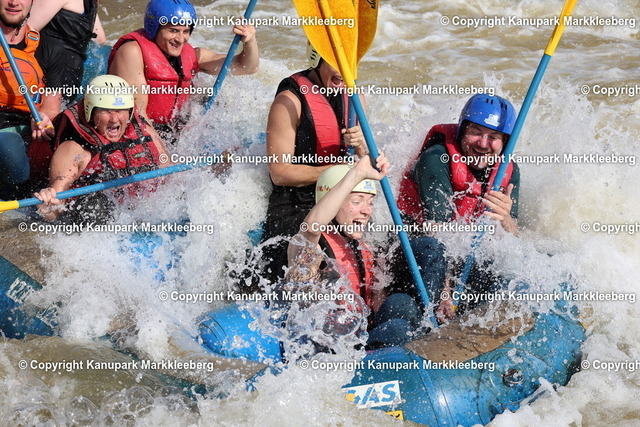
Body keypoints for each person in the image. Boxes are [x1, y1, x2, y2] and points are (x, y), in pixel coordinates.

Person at [394, 94, 520, 322]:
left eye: (493, 137)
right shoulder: (436, 159)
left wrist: (506, 220)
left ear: (504, 142)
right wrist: (445, 294)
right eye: (475, 132)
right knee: (432, 250)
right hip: (416, 254)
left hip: (460, 259)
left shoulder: (509, 170)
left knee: (498, 265)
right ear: (462, 130)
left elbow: (516, 239)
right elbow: (436, 234)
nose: (483, 144)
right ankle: (428, 320)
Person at [286, 154, 421, 348]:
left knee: (402, 303)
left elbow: (375, 307)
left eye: (370, 202)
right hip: (329, 351)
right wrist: (357, 173)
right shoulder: (308, 246)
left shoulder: (365, 249)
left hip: (362, 344)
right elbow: (312, 227)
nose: (367, 211)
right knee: (398, 329)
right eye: (357, 202)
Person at [260, 45, 367, 283]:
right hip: (296, 205)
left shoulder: (356, 98)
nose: (343, 70)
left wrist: (361, 146)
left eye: (348, 61)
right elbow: (279, 173)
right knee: (327, 265)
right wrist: (336, 171)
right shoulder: (288, 101)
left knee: (373, 258)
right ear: (316, 58)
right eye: (335, 61)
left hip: (340, 202)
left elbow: (367, 164)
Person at [108, 0, 259, 141]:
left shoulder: (194, 55)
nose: (180, 39)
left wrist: (250, 41)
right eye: (173, 31)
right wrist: (164, 155)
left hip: (174, 134)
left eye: (186, 31)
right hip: (138, 133)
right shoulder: (132, 52)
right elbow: (138, 116)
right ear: (154, 28)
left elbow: (246, 67)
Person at [34, 75, 171, 223]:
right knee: (96, 206)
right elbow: (54, 209)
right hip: (91, 220)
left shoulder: (144, 133)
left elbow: (169, 177)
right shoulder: (74, 150)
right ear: (91, 112)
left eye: (120, 110)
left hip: (136, 212)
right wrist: (47, 207)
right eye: (106, 111)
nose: (114, 119)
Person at [0, 0, 58, 200]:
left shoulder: (49, 47)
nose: (14, 2)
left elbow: (52, 106)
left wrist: (43, 118)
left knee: (8, 148)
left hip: (24, 129)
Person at [29, 0, 106, 109]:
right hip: (72, 79)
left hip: (49, 76)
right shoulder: (90, 2)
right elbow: (100, 38)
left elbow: (25, 30)